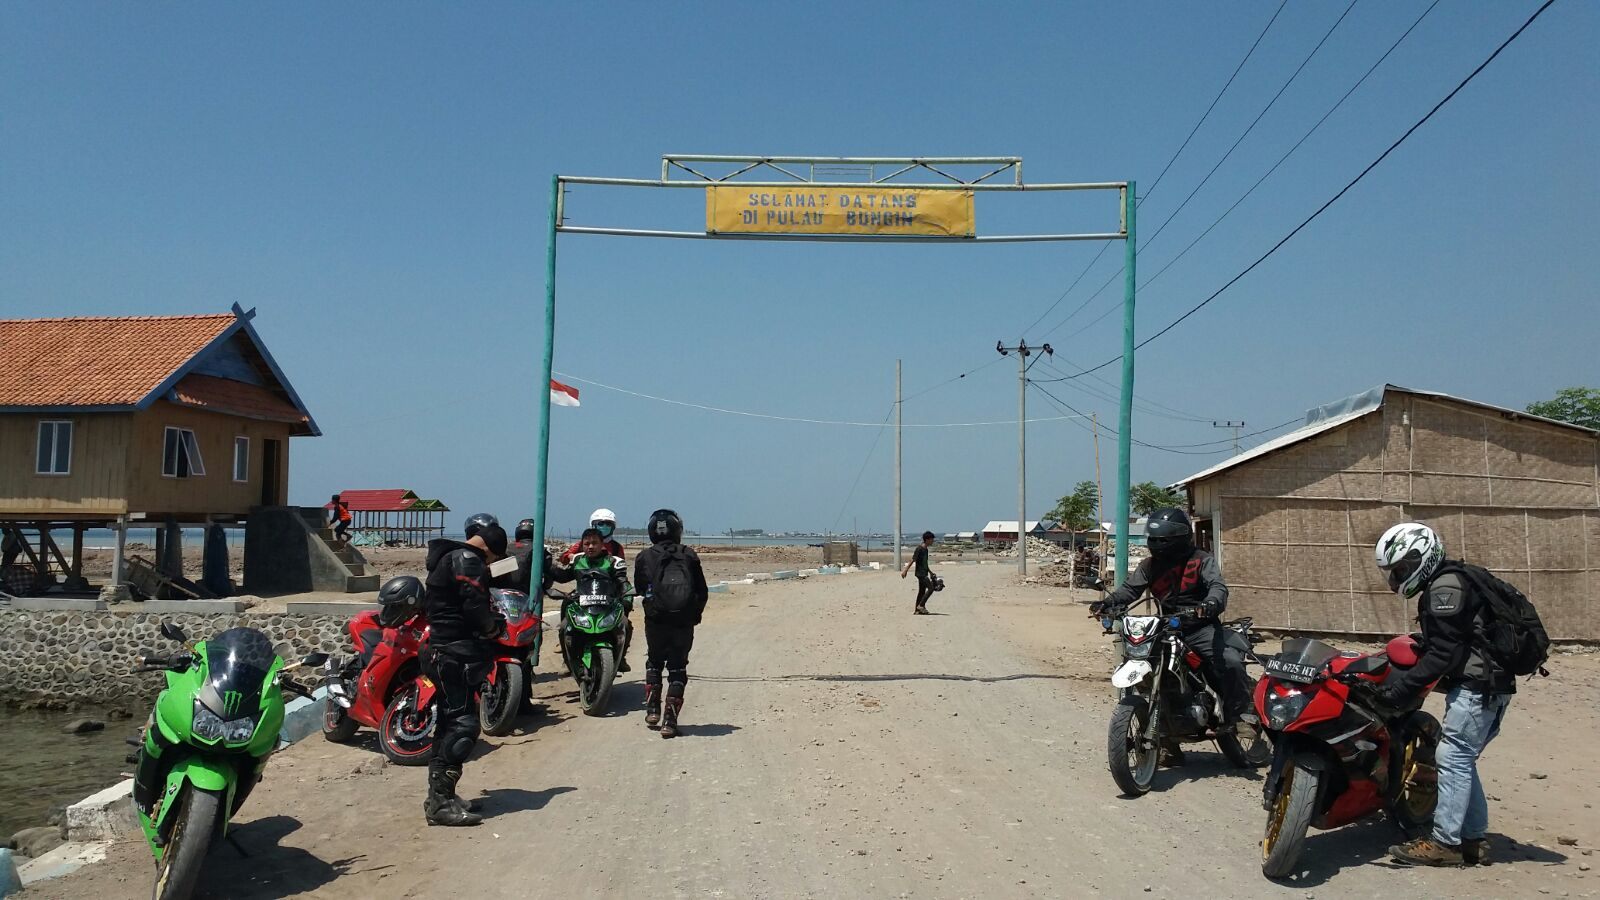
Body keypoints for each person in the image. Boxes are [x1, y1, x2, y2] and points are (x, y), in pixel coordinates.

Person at [1374, 522, 1514, 867]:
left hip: (1478, 688)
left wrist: (1399, 690)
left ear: (1422, 557)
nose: (1396, 579)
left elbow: (1443, 655)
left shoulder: (1444, 587)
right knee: (1461, 758)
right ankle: (1473, 840)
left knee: (1452, 757)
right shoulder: (1450, 579)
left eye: (1400, 570)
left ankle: (1445, 844)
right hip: (1489, 685)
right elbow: (1454, 639)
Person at [1090, 507, 1254, 752]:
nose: (1157, 544)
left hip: (1199, 626)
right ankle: (1167, 742)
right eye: (1154, 539)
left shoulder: (1201, 560)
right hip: (1165, 627)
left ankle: (1241, 716)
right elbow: (1130, 590)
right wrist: (1108, 603)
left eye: (1163, 540)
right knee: (1149, 668)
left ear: (1179, 538)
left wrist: (1211, 603)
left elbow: (1217, 587)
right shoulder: (1150, 566)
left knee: (1229, 662)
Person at [420, 522, 509, 826]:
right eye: (495, 557)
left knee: (448, 724)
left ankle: (441, 797)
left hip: (443, 651)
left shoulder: (448, 556)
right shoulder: (467, 560)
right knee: (462, 728)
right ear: (489, 549)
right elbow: (474, 606)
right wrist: (493, 628)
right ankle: (440, 804)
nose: (492, 563)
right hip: (453, 654)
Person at [632, 508, 708, 739]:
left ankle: (652, 710)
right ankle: (669, 723)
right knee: (677, 669)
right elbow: (702, 591)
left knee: (654, 662)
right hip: (683, 622)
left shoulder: (644, 556)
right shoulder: (689, 555)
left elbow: (640, 588)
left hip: (656, 620)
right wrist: (694, 615)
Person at [565, 527, 634, 672]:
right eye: (587, 543)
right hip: (582, 606)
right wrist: (546, 567)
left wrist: (627, 598)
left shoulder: (612, 562)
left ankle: (621, 658)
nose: (590, 547)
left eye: (594, 543)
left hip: (608, 605)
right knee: (563, 627)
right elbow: (562, 576)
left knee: (626, 624)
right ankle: (569, 662)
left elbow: (623, 583)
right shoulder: (577, 561)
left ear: (602, 544)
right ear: (582, 545)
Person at [559, 508, 625, 565]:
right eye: (601, 524)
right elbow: (564, 558)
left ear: (613, 526)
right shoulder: (582, 544)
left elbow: (621, 566)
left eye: (608, 524)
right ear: (593, 525)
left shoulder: (616, 547)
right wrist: (570, 556)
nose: (604, 526)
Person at [900, 531, 937, 614]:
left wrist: (930, 572)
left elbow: (925, 563)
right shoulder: (919, 549)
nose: (932, 541)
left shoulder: (926, 549)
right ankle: (921, 605)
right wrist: (905, 570)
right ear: (927, 539)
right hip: (920, 573)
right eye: (931, 539)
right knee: (931, 588)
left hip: (924, 572)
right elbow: (913, 560)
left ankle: (917, 611)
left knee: (921, 592)